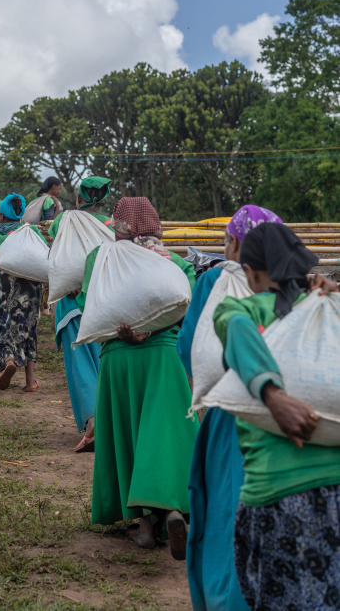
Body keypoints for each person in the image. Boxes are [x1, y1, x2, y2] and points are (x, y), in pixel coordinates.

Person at [213, 223, 340, 611]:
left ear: (249, 271)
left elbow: (235, 328)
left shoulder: (241, 308)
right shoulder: (322, 309)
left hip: (277, 493)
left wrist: (271, 395)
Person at [77, 196, 199, 559]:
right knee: (165, 434)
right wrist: (151, 329)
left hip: (119, 359)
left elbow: (90, 305)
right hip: (164, 356)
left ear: (118, 225)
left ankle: (146, 526)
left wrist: (128, 330)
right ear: (156, 224)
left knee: (130, 435)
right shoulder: (174, 262)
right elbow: (184, 311)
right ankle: (174, 506)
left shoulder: (100, 259)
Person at [178, 205, 282, 611]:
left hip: (228, 419)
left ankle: (227, 597)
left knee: (227, 512)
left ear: (235, 244)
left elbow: (190, 347)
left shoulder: (215, 283)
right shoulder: (301, 291)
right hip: (286, 422)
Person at [48, 176, 113, 452]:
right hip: (102, 304)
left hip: (71, 306)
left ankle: (92, 424)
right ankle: (109, 425)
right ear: (103, 199)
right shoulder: (110, 224)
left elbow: (54, 245)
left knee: (81, 365)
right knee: (102, 362)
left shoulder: (65, 220)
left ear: (79, 198)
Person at [0, 194, 47, 393]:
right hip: (31, 284)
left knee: (6, 320)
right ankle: (30, 381)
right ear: (21, 215)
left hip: (5, 282)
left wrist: (8, 258)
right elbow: (42, 253)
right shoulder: (31, 231)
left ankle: (9, 360)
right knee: (28, 325)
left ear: (0, 215)